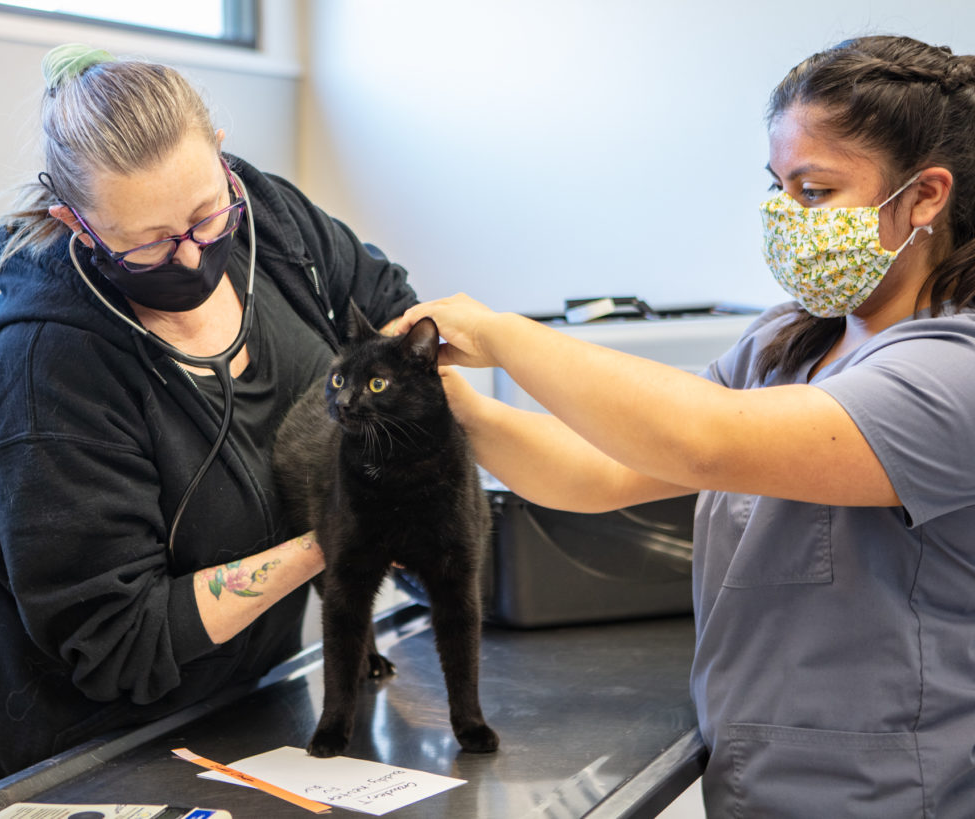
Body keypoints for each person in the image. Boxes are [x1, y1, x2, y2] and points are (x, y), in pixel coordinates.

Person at [397, 35, 975, 817]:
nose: (787, 217)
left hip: (895, 795)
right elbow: (596, 470)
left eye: (813, 191)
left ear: (927, 195)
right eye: (777, 188)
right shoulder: (789, 341)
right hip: (757, 784)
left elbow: (702, 437)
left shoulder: (954, 368)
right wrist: (448, 406)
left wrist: (500, 332)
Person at [0, 44, 417, 796]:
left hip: (239, 706)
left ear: (225, 163)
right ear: (77, 224)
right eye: (150, 245)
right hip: (76, 750)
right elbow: (117, 640)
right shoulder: (51, 368)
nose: (194, 253)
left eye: (207, 217)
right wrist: (328, 542)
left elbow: (396, 315)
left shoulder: (267, 217)